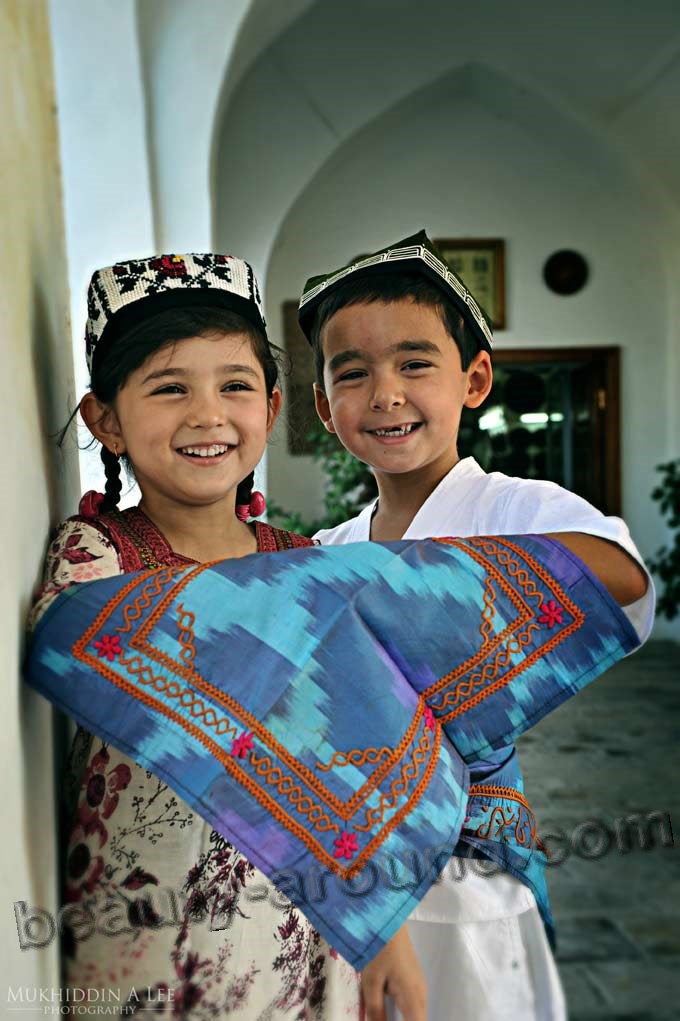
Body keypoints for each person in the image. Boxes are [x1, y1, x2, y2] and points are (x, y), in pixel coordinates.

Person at [298, 230, 654, 1021]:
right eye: (352, 373)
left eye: (415, 363)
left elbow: (621, 573)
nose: (385, 393)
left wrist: (412, 590)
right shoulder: (332, 548)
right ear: (324, 406)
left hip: (470, 865)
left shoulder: (512, 508)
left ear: (475, 378)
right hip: (354, 866)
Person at [29, 253, 363, 1018]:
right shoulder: (97, 558)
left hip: (299, 931)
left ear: (272, 408)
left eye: (235, 385)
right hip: (150, 943)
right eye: (169, 387)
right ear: (104, 418)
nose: (208, 415)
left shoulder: (304, 563)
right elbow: (92, 655)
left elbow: (354, 751)